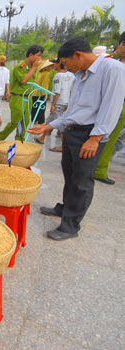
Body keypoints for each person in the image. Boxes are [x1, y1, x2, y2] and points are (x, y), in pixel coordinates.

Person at [28, 37, 125, 241]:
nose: (65, 67)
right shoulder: (80, 75)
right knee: (70, 174)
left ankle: (70, 225)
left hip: (89, 134)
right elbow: (73, 111)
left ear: (78, 55)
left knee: (82, 180)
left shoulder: (112, 69)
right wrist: (49, 126)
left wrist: (96, 138)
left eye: (65, 62)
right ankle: (65, 208)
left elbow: (112, 107)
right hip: (72, 131)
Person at [93, 32, 125, 185]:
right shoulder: (107, 62)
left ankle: (100, 168)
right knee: (99, 135)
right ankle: (95, 168)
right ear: (118, 45)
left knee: (111, 139)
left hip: (122, 105)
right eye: (123, 44)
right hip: (105, 102)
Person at [0, 45, 44, 141]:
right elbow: (23, 80)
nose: (40, 58)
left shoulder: (31, 68)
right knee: (15, 122)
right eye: (38, 55)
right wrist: (34, 68)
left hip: (28, 98)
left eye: (40, 56)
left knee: (24, 123)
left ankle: (19, 141)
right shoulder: (20, 67)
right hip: (18, 98)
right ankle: (0, 137)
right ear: (31, 55)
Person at [34, 62, 75, 147]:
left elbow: (57, 92)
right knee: (49, 121)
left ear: (59, 64)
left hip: (59, 102)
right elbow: (73, 90)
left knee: (60, 124)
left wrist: (53, 104)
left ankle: (64, 146)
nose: (53, 66)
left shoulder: (58, 76)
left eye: (54, 64)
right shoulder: (71, 75)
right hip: (66, 102)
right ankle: (42, 137)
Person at [31, 60, 56, 127]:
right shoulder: (47, 73)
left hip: (35, 93)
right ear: (48, 67)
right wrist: (45, 94)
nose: (52, 67)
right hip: (41, 93)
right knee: (42, 108)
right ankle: (41, 122)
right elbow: (45, 85)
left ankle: (34, 120)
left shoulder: (41, 73)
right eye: (51, 66)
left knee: (34, 108)